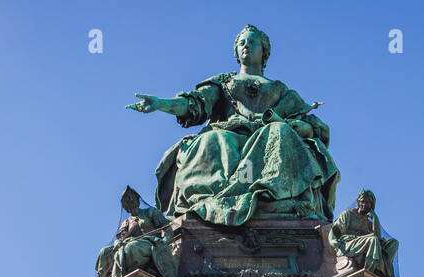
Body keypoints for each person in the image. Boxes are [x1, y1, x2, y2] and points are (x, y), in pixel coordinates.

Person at [127, 25, 339, 226]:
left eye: (252, 42)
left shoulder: (281, 91)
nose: (246, 45)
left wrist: (305, 128)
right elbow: (195, 104)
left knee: (280, 131)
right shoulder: (224, 83)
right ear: (237, 52)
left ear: (263, 51)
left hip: (266, 134)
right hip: (229, 132)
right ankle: (218, 200)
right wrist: (161, 104)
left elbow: (308, 122)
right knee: (212, 140)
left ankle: (267, 193)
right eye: (242, 42)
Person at [329, 189, 398, 277]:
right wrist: (334, 242)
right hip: (347, 245)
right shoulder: (348, 214)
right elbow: (335, 230)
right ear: (358, 202)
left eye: (368, 203)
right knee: (372, 240)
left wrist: (375, 218)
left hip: (364, 245)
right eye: (362, 201)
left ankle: (380, 270)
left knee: (393, 243)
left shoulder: (369, 222)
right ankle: (369, 270)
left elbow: (378, 237)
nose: (364, 205)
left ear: (372, 206)